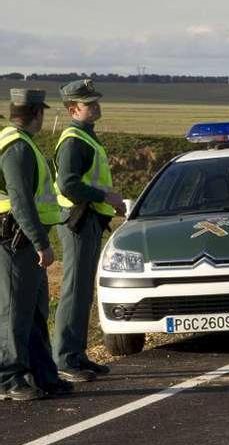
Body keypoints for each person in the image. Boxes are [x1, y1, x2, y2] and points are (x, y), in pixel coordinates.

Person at [0, 89, 71, 400]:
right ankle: (9, 380)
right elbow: (20, 201)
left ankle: (42, 374)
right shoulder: (17, 147)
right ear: (37, 113)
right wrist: (41, 242)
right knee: (15, 311)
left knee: (32, 312)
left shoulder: (20, 143)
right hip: (16, 239)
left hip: (23, 238)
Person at [52, 79, 124, 383]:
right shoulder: (73, 140)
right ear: (73, 108)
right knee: (74, 290)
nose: (96, 106)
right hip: (78, 219)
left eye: (96, 101)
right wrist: (104, 197)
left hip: (88, 219)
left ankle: (77, 356)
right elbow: (68, 183)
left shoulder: (85, 136)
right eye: (89, 103)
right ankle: (66, 359)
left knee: (82, 290)